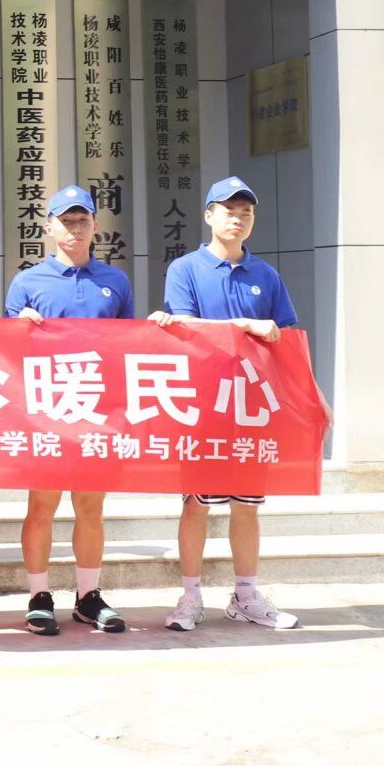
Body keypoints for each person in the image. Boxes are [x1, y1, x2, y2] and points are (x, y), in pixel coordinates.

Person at [151, 176, 302, 632]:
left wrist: (310, 397)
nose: (238, 219)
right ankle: (190, 596)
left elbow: (289, 339)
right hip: (202, 405)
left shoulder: (266, 275)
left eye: (246, 212)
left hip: (252, 406)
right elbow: (185, 328)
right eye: (229, 211)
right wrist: (245, 325)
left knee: (247, 504)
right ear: (209, 215)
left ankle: (246, 595)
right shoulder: (185, 269)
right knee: (196, 503)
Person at [5, 185, 134, 636]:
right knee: (41, 505)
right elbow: (7, 354)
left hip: (97, 411)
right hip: (46, 410)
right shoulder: (27, 283)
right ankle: (39, 595)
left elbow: (131, 346)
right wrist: (18, 327)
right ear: (49, 228)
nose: (75, 228)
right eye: (66, 221)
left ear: (95, 226)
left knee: (90, 507)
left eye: (82, 220)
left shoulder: (115, 281)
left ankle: (87, 596)